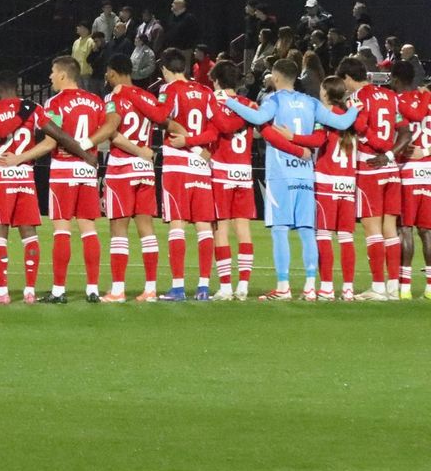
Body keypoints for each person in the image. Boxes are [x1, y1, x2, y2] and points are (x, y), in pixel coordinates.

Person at [219, 58, 359, 300]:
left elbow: (256, 118)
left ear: (275, 77)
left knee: (280, 230)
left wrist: (227, 101)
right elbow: (342, 122)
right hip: (305, 173)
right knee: (306, 230)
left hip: (281, 174)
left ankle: (283, 286)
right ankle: (310, 286)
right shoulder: (311, 102)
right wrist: (356, 107)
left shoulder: (273, 100)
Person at [0, 57, 111, 304]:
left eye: (52, 72)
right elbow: (103, 134)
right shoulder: (95, 101)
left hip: (63, 170)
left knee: (62, 230)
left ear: (62, 75)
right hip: (88, 170)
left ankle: (58, 291)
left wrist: (19, 158)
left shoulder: (55, 103)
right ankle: (92, 288)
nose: (49, 77)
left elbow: (51, 142)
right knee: (89, 230)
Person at [118, 48, 219, 300]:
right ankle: (204, 287)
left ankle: (177, 287)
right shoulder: (206, 92)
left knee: (178, 223)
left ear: (164, 70)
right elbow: (215, 132)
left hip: (177, 165)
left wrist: (183, 140)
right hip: (200, 164)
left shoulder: (168, 90)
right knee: (204, 225)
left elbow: (161, 116)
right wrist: (196, 143)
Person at [0, 73, 52, 303]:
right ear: (16, 87)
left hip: (0, 177)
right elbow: (50, 137)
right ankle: (29, 291)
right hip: (25, 175)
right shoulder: (32, 108)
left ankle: (2, 292)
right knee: (29, 234)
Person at [97, 55, 163, 303]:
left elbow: (112, 134)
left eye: (107, 73)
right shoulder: (147, 97)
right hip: (144, 171)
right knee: (146, 229)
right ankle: (150, 289)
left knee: (118, 229)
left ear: (113, 73)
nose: (106, 77)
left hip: (122, 168)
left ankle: (118, 289)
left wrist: (137, 150)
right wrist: (146, 153)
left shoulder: (113, 97)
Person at [338, 56, 403, 298]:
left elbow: (361, 128)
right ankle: (394, 287)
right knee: (390, 229)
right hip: (391, 168)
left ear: (347, 77)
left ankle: (377, 286)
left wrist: (378, 148)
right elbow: (403, 128)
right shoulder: (390, 96)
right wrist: (389, 153)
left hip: (369, 167)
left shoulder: (357, 99)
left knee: (372, 228)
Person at [205, 60, 259, 300]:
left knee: (221, 230)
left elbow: (222, 128)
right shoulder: (249, 105)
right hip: (244, 173)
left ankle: (226, 286)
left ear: (216, 81)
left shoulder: (214, 103)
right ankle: (244, 286)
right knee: (244, 229)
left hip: (222, 172)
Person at [392, 62, 431, 299]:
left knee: (404, 228)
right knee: (427, 231)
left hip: (406, 169)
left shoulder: (396, 102)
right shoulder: (428, 99)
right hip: (428, 169)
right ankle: (430, 287)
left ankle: (404, 287)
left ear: (396, 78)